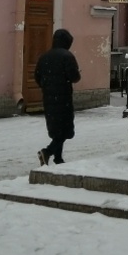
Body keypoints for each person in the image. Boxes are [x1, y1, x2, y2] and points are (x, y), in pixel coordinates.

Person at [34, 28, 82, 166]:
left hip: (49, 98)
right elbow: (74, 77)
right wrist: (75, 75)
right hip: (64, 98)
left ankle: (58, 158)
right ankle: (47, 152)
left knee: (56, 128)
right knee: (64, 129)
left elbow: (37, 76)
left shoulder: (44, 57)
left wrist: (47, 86)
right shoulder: (67, 56)